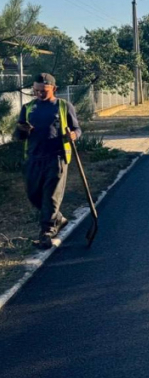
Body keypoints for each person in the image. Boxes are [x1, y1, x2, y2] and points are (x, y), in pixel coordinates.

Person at [15, 73, 82, 249]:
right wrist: (22, 130)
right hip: (33, 158)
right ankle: (58, 219)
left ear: (54, 89)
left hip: (56, 158)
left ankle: (47, 232)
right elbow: (19, 135)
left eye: (43, 91)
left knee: (51, 197)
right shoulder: (28, 108)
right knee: (34, 195)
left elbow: (77, 129)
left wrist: (73, 135)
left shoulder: (63, 106)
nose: (39, 94)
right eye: (36, 90)